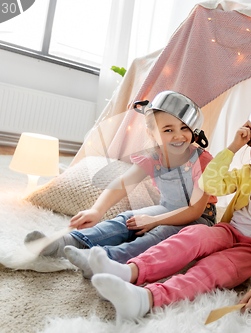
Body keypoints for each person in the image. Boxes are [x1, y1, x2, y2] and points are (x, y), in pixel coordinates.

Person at [83, 104, 251, 322]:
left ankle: (146, 299)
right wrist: (232, 148)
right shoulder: (245, 174)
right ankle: (129, 272)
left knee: (212, 269)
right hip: (228, 232)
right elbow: (209, 182)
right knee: (194, 234)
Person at [24, 91, 217, 279]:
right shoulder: (154, 156)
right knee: (127, 219)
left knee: (160, 232)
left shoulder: (202, 161)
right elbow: (123, 183)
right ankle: (67, 242)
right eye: (168, 130)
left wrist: (154, 221)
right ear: (152, 134)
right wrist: (96, 211)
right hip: (166, 208)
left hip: (199, 219)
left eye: (184, 128)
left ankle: (104, 260)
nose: (178, 136)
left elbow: (194, 211)